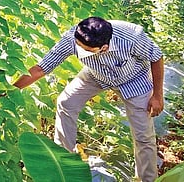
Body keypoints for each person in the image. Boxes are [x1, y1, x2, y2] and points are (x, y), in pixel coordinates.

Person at [12, 17, 164, 182]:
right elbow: (42, 68)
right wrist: (10, 90)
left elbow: (156, 57)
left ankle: (147, 179)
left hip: (134, 80)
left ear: (104, 48)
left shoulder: (131, 37)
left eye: (86, 50)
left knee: (143, 136)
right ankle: (64, 163)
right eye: (78, 46)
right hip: (97, 75)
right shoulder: (74, 38)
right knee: (66, 102)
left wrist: (157, 96)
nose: (79, 49)